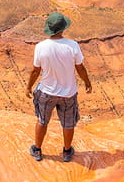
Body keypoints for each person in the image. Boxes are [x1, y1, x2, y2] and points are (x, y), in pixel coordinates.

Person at [26, 12, 92, 162]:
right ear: (63, 29)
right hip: (68, 93)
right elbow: (80, 68)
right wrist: (87, 83)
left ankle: (37, 150)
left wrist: (28, 86)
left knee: (42, 120)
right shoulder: (72, 45)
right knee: (68, 123)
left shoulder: (40, 47)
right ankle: (67, 151)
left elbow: (35, 70)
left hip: (46, 92)